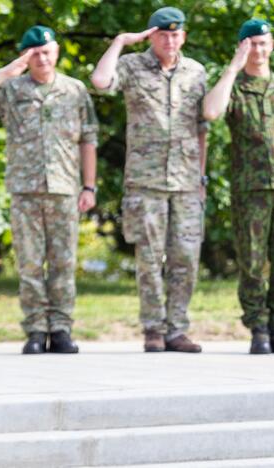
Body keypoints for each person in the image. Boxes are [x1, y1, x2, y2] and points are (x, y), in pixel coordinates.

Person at [0, 26, 98, 355]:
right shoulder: (12, 90)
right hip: (25, 191)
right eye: (34, 52)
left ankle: (61, 328)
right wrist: (6, 71)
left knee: (64, 263)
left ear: (57, 52)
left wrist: (89, 186)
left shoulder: (75, 90)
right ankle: (36, 329)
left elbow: (88, 140)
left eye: (47, 51)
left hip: (65, 189)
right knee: (30, 264)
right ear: (25, 55)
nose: (42, 57)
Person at [91, 6, 207, 353]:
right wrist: (120, 43)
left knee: (185, 257)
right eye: (163, 34)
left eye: (176, 34)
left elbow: (202, 130)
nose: (170, 40)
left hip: (186, 182)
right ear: (151, 36)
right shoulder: (130, 66)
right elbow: (100, 82)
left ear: (183, 36)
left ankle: (177, 329)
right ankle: (153, 329)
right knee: (149, 259)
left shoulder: (196, 72)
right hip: (145, 181)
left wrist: (201, 175)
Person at [202, 19, 274, 354]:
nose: (259, 50)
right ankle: (258, 328)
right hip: (249, 187)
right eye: (251, 44)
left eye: (263, 43)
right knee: (251, 259)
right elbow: (211, 111)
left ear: (272, 45)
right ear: (242, 47)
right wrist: (234, 66)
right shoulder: (233, 87)